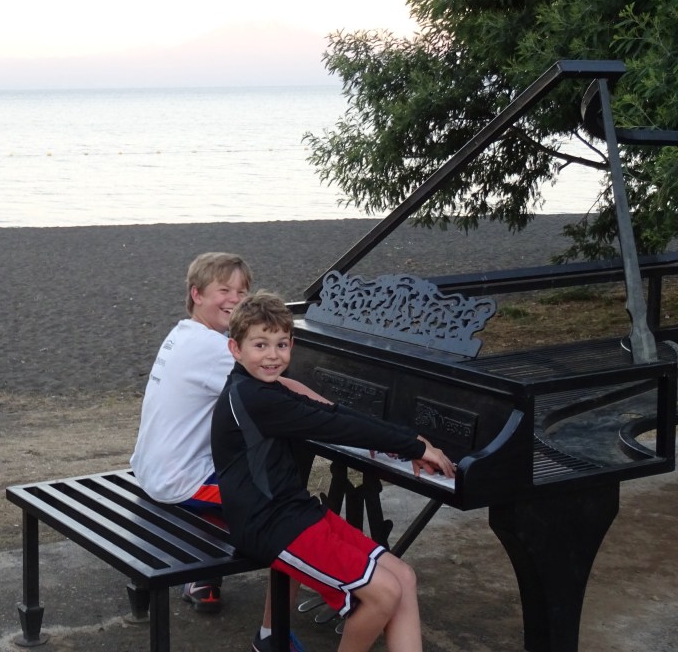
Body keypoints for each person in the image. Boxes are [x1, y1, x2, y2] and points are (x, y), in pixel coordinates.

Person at [211, 291, 456, 652]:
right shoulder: (254, 398)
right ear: (236, 349)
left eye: (281, 344)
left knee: (403, 577)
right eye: (260, 345)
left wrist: (407, 440)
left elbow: (333, 414)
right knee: (383, 594)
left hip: (293, 511)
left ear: (292, 344)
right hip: (269, 525)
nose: (273, 355)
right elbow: (332, 426)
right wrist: (414, 446)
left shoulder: (264, 389)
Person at [130, 252, 323, 621]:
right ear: (197, 294)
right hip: (180, 481)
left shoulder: (183, 333)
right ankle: (278, 624)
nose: (235, 299)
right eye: (224, 289)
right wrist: (334, 411)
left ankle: (208, 576)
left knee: (259, 471)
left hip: (152, 467)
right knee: (285, 511)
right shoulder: (212, 347)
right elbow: (280, 392)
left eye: (243, 290)